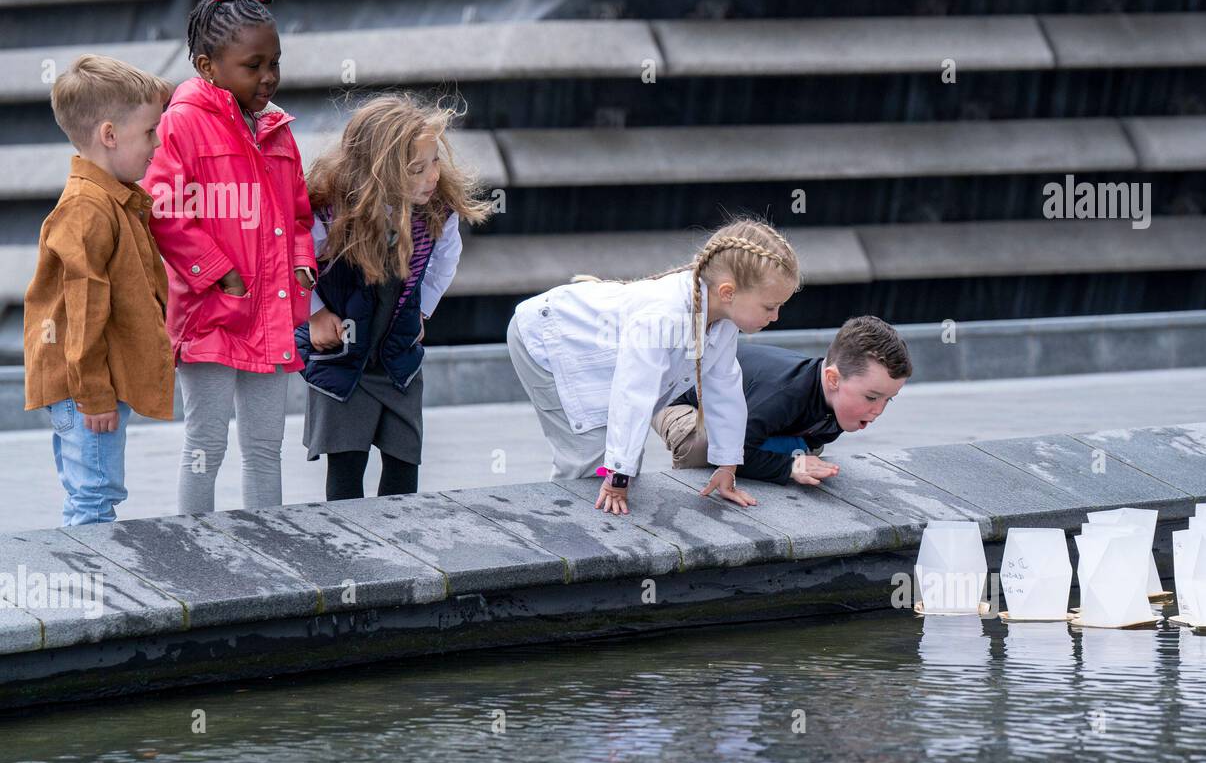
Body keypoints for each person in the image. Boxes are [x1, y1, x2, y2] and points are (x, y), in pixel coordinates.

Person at [143, 0, 317, 513]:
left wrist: (302, 261)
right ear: (206, 65)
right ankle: (195, 550)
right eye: (254, 65)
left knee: (266, 445)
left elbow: (297, 213)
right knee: (206, 443)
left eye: (275, 63)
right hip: (211, 314)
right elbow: (165, 210)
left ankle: (268, 547)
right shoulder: (180, 124)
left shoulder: (278, 131)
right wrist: (217, 271)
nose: (269, 77)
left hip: (270, 312)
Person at [507, 214, 800, 514]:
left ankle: (599, 511)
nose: (775, 316)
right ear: (728, 292)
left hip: (589, 352)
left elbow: (724, 388)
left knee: (615, 462)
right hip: (548, 338)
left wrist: (727, 466)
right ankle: (567, 526)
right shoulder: (663, 315)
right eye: (770, 307)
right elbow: (635, 391)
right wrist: (619, 474)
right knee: (590, 461)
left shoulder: (722, 320)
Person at [297, 94, 490, 499]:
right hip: (344, 355)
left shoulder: (436, 211)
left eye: (434, 161)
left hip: (396, 356)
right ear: (378, 172)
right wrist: (314, 313)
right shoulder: (331, 212)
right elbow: (296, 263)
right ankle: (348, 546)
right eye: (417, 169)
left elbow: (445, 260)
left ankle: (403, 543)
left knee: (404, 458)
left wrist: (423, 310)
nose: (432, 175)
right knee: (347, 460)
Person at [24, 55, 173, 525]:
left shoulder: (110, 198)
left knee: (90, 491)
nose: (157, 143)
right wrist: (94, 395)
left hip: (88, 384)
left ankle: (93, 589)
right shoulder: (90, 208)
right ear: (110, 135)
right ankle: (98, 594)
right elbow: (83, 309)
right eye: (149, 131)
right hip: (85, 388)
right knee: (94, 498)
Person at [652, 315, 912, 486]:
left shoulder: (838, 409)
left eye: (889, 400)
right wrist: (789, 466)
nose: (878, 410)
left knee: (810, 451)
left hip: (750, 414)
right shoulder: (785, 394)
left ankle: (764, 441)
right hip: (679, 397)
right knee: (705, 446)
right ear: (833, 379)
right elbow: (732, 453)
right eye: (871, 397)